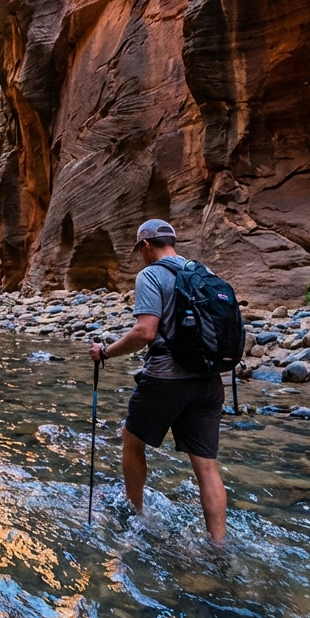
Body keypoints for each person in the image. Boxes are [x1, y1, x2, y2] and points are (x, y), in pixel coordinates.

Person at [88, 219, 228, 544]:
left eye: (141, 249)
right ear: (173, 242)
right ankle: (218, 547)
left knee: (132, 439)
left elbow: (145, 331)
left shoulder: (151, 274)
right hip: (208, 379)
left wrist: (105, 352)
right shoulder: (202, 274)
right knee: (206, 467)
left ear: (147, 246)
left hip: (167, 377)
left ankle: (135, 517)